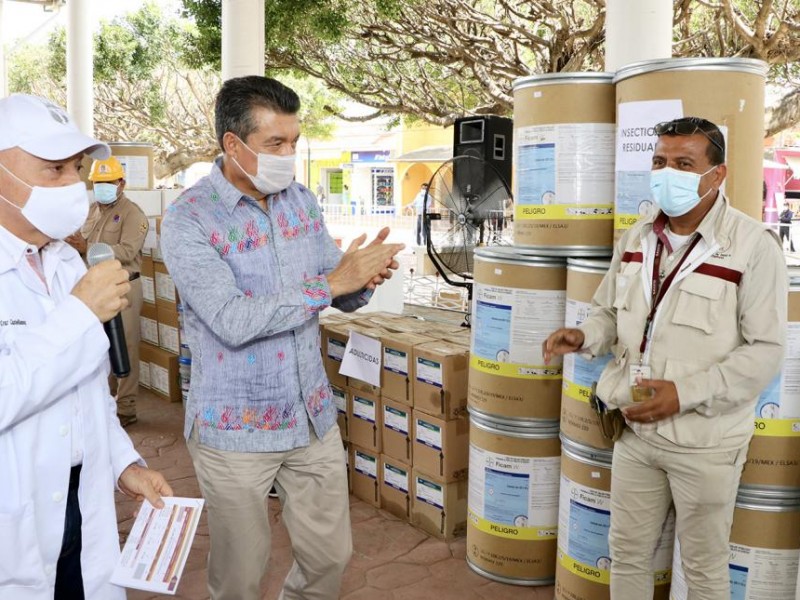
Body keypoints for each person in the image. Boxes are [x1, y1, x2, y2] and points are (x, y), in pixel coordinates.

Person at [160, 76, 403, 600]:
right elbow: (231, 318)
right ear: (233, 144)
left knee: (330, 558)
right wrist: (333, 281)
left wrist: (358, 281)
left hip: (310, 415)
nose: (288, 155)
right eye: (275, 144)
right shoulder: (188, 219)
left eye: (294, 142)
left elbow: (328, 291)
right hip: (235, 430)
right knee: (242, 576)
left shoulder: (299, 201)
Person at [542, 116, 786, 600]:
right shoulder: (638, 238)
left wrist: (685, 394)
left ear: (716, 175)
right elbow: (610, 312)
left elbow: (766, 352)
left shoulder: (751, 246)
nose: (667, 173)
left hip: (707, 444)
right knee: (627, 552)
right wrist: (585, 335)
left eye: (683, 163)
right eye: (660, 161)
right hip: (636, 431)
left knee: (703, 569)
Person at [0, 93, 172, 600]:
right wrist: (79, 314)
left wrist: (125, 465)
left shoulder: (69, 264)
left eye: (76, 168)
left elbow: (90, 392)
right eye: (54, 169)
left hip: (81, 501)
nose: (74, 185)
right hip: (15, 515)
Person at [65, 156, 149, 427]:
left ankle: (127, 408)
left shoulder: (132, 213)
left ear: (121, 183)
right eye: (98, 183)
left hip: (124, 285)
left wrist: (86, 247)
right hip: (97, 287)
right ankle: (107, 400)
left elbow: (127, 251)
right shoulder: (92, 210)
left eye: (108, 182)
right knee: (102, 346)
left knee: (125, 346)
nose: (103, 187)